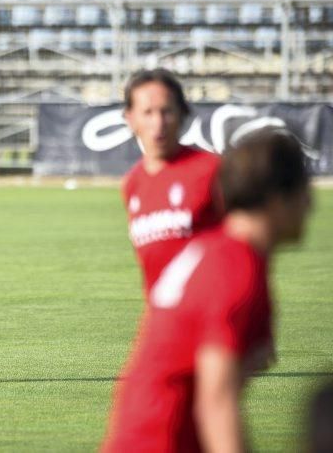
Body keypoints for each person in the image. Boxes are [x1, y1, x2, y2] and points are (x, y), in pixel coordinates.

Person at [103, 131, 312, 452]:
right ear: (277, 198)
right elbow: (217, 404)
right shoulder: (234, 269)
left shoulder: (222, 254)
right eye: (304, 192)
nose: (311, 206)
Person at [122, 69, 224, 294]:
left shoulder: (213, 171)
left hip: (212, 319)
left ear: (182, 113)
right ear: (130, 118)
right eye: (147, 112)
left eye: (166, 111)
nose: (158, 123)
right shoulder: (133, 184)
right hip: (164, 323)